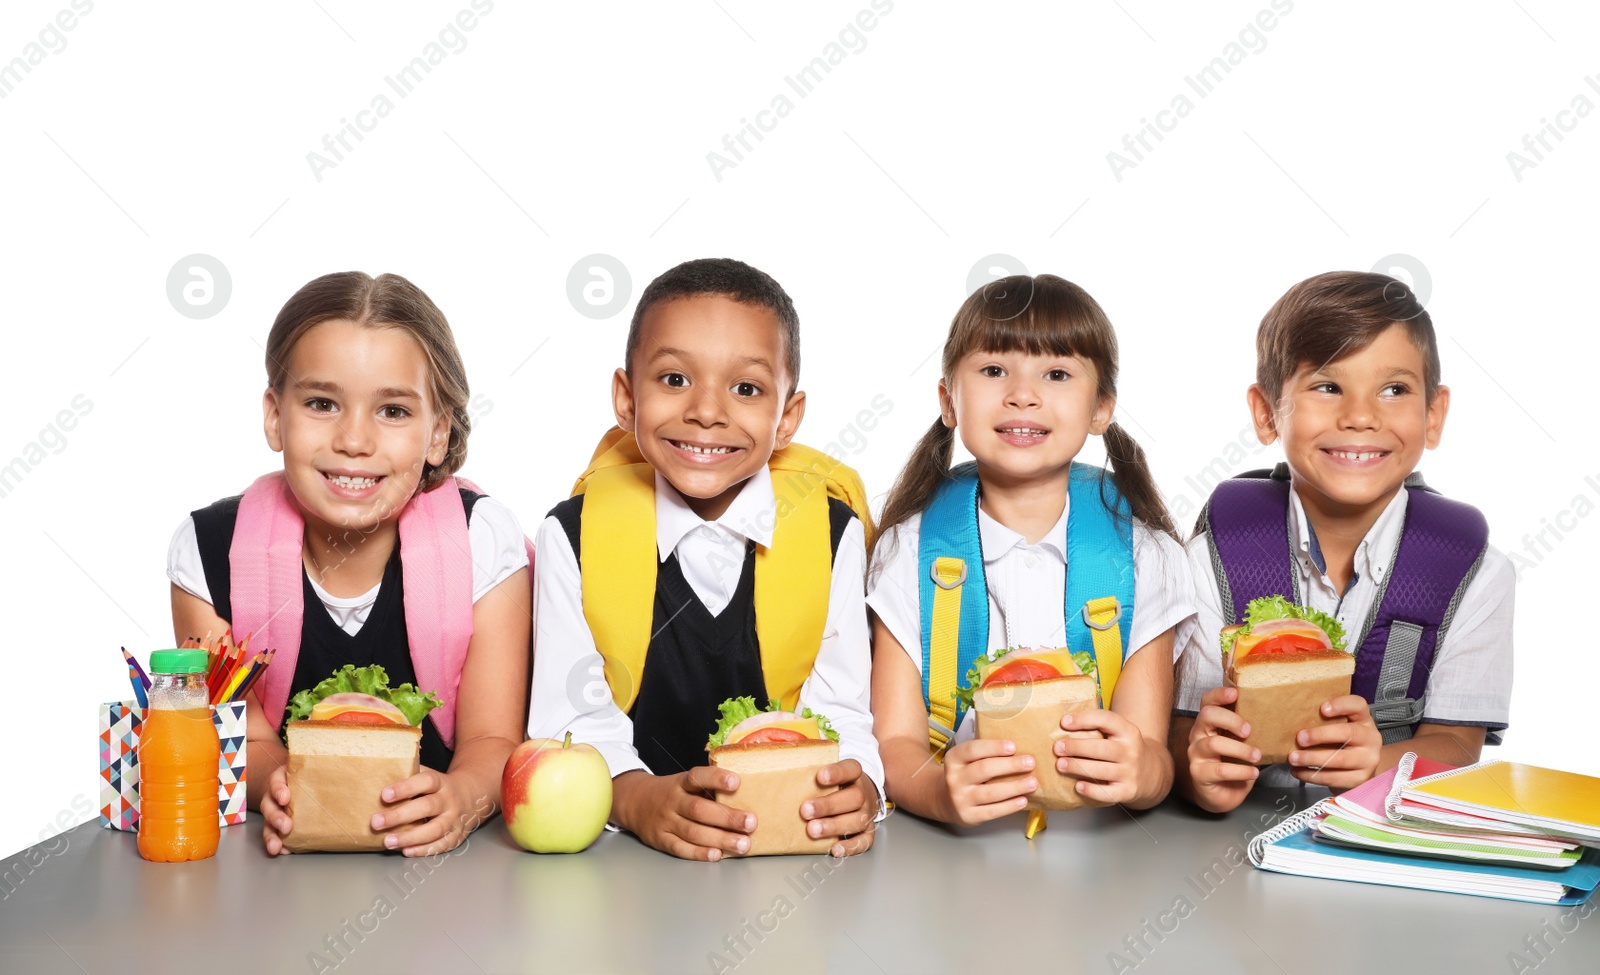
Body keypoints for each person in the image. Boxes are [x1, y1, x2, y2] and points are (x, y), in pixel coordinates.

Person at [528, 258, 882, 860]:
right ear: (625, 397)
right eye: (673, 380)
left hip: (786, 852)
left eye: (746, 389)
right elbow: (570, 723)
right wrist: (638, 800)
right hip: (627, 876)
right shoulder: (573, 536)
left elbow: (843, 712)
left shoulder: (832, 534)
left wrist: (860, 786)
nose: (707, 412)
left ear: (787, 417)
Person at [168, 271, 530, 856]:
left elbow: (491, 734)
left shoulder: (482, 541)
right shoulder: (209, 553)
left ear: (438, 432)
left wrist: (462, 797)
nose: (354, 440)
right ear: (274, 416)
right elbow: (246, 735)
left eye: (392, 411)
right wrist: (275, 784)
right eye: (321, 403)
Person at [1171, 271, 1514, 813]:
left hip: (1384, 849)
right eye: (1327, 386)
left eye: (1393, 389)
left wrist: (1376, 764)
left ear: (1433, 415)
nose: (1360, 416)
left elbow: (1456, 743)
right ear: (1266, 413)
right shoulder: (1207, 561)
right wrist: (1200, 775)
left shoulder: (1475, 573)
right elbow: (1180, 730)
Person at [868, 274, 1194, 825]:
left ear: (1101, 408)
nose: (1023, 393)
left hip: (1102, 862)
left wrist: (1141, 776)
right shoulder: (910, 549)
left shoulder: (1146, 558)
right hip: (945, 858)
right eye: (994, 371)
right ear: (949, 400)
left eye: (1057, 373)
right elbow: (897, 744)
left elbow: (1154, 756)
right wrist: (941, 796)